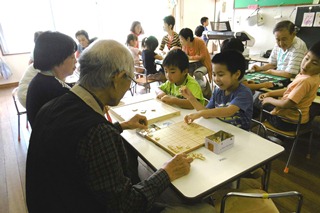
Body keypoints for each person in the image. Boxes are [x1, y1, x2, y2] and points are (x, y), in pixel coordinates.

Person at [25, 40, 216, 213]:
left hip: (56, 201)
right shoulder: (97, 132)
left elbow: (81, 146)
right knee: (206, 210)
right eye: (129, 80)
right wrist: (167, 172)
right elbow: (125, 206)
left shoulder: (53, 106)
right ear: (118, 77)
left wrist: (121, 126)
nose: (127, 87)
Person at [181, 50, 253, 131]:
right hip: (221, 129)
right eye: (214, 74)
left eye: (221, 75)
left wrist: (200, 113)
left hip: (241, 135)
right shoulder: (218, 91)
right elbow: (206, 113)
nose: (216, 79)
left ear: (236, 74)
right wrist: (191, 98)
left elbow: (228, 111)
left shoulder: (244, 93)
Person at [258, 41, 320, 131]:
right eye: (307, 58)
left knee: (257, 102)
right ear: (305, 54)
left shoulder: (305, 81)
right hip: (299, 119)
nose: (307, 65)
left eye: (314, 63)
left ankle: (264, 136)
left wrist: (269, 100)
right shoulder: (310, 75)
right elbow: (289, 90)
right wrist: (270, 94)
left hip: (287, 122)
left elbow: (286, 104)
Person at [26, 31, 77, 127]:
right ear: (57, 59)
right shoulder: (56, 91)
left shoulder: (42, 80)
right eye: (72, 57)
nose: (76, 61)